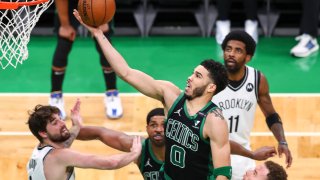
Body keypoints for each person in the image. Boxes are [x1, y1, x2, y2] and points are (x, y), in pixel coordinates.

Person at [74, 9, 232, 179]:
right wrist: (99, 35)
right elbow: (126, 73)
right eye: (193, 73)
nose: (190, 78)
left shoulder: (215, 120)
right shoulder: (172, 96)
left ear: (211, 88)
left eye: (198, 76)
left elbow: (222, 172)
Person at [78, 107, 277, 180]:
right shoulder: (140, 148)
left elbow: (223, 143)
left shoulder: (188, 140)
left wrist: (251, 155)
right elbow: (100, 133)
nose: (158, 129)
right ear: (146, 128)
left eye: (163, 125)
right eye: (153, 125)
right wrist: (68, 135)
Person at [212, 30, 293, 180]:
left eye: (238, 50)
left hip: (242, 156)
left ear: (248, 57)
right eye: (228, 49)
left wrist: (282, 141)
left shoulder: (257, 80)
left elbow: (271, 115)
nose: (231, 54)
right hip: (212, 154)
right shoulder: (211, 78)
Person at [26, 99, 141, 180]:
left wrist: (76, 126)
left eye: (60, 118)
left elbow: (64, 144)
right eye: (55, 123)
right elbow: (110, 163)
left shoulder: (40, 151)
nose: (62, 123)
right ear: (43, 133)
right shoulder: (59, 156)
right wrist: (134, 153)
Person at [49, 0, 123, 120]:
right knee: (64, 42)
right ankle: (55, 95)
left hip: (96, 3)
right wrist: (65, 25)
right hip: (69, 4)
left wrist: (104, 19)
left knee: (104, 45)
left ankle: (112, 93)